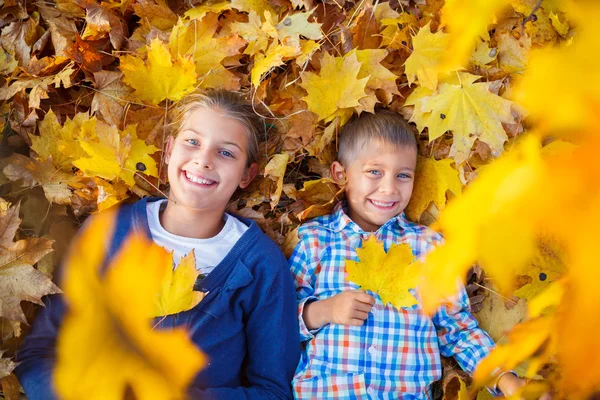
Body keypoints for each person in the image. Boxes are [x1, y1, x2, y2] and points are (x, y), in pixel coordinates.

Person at [15, 90, 300, 399]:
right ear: (168, 150)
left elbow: (272, 390)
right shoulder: (109, 232)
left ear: (247, 174)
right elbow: (41, 350)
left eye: (226, 153)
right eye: (192, 142)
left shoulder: (260, 264)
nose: (203, 160)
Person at [289, 109, 528, 399]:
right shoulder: (316, 240)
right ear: (342, 175)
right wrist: (324, 310)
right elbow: (278, 323)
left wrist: (504, 378)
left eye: (403, 175)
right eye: (374, 172)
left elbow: (458, 329)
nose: (389, 189)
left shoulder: (428, 248)